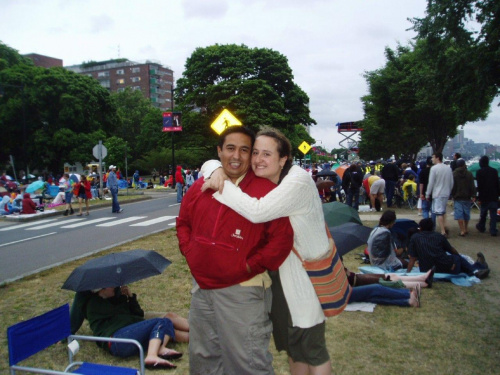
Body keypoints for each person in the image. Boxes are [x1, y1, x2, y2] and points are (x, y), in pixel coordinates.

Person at [201, 127, 351, 375]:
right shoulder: (267, 177)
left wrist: (222, 186)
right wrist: (215, 170)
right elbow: (215, 161)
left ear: (283, 159)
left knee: (313, 349)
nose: (258, 159)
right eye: (256, 152)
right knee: (293, 347)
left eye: (267, 154)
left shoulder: (298, 181)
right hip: (281, 281)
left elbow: (257, 211)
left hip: (305, 280)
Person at [177, 126, 294, 375]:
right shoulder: (200, 187)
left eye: (244, 150)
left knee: (247, 363)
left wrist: (248, 265)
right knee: (203, 358)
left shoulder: (266, 193)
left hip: (242, 291)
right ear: (219, 151)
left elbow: (281, 240)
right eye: (230, 148)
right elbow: (183, 222)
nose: (237, 156)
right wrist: (190, 251)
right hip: (202, 289)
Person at [70, 286, 183, 370]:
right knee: (161, 322)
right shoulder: (94, 305)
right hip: (116, 340)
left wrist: (130, 297)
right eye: (112, 286)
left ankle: (164, 347)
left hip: (127, 336)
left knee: (167, 325)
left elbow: (137, 314)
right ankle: (152, 356)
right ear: (101, 289)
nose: (116, 288)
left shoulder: (115, 298)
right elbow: (129, 317)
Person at [407, 218, 490, 279]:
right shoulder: (439, 236)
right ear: (432, 227)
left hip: (426, 269)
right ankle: (477, 269)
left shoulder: (414, 238)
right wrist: (458, 257)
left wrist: (408, 273)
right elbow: (452, 250)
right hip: (446, 267)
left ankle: (479, 265)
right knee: (458, 259)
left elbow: (412, 258)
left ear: (421, 228)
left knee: (460, 264)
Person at [425, 152, 453, 237]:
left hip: (437, 193)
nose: (432, 159)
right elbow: (451, 182)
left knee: (439, 212)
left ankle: (443, 231)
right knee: (443, 211)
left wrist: (427, 193)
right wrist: (449, 190)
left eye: (433, 157)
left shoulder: (434, 168)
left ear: (437, 158)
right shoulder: (448, 168)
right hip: (446, 192)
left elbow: (431, 183)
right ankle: (445, 227)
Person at [475, 155, 500, 237]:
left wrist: (478, 196)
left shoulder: (479, 172)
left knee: (483, 213)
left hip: (484, 196)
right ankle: (493, 230)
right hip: (494, 195)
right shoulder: (494, 171)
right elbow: (497, 184)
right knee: (493, 214)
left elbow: (479, 185)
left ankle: (482, 226)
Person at [451, 159, 476, 236]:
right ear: (464, 164)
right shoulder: (469, 174)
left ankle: (462, 230)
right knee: (466, 213)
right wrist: (473, 195)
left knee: (459, 214)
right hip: (467, 197)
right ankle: (466, 228)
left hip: (457, 197)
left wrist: (452, 194)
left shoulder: (454, 174)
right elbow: (472, 185)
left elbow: (452, 186)